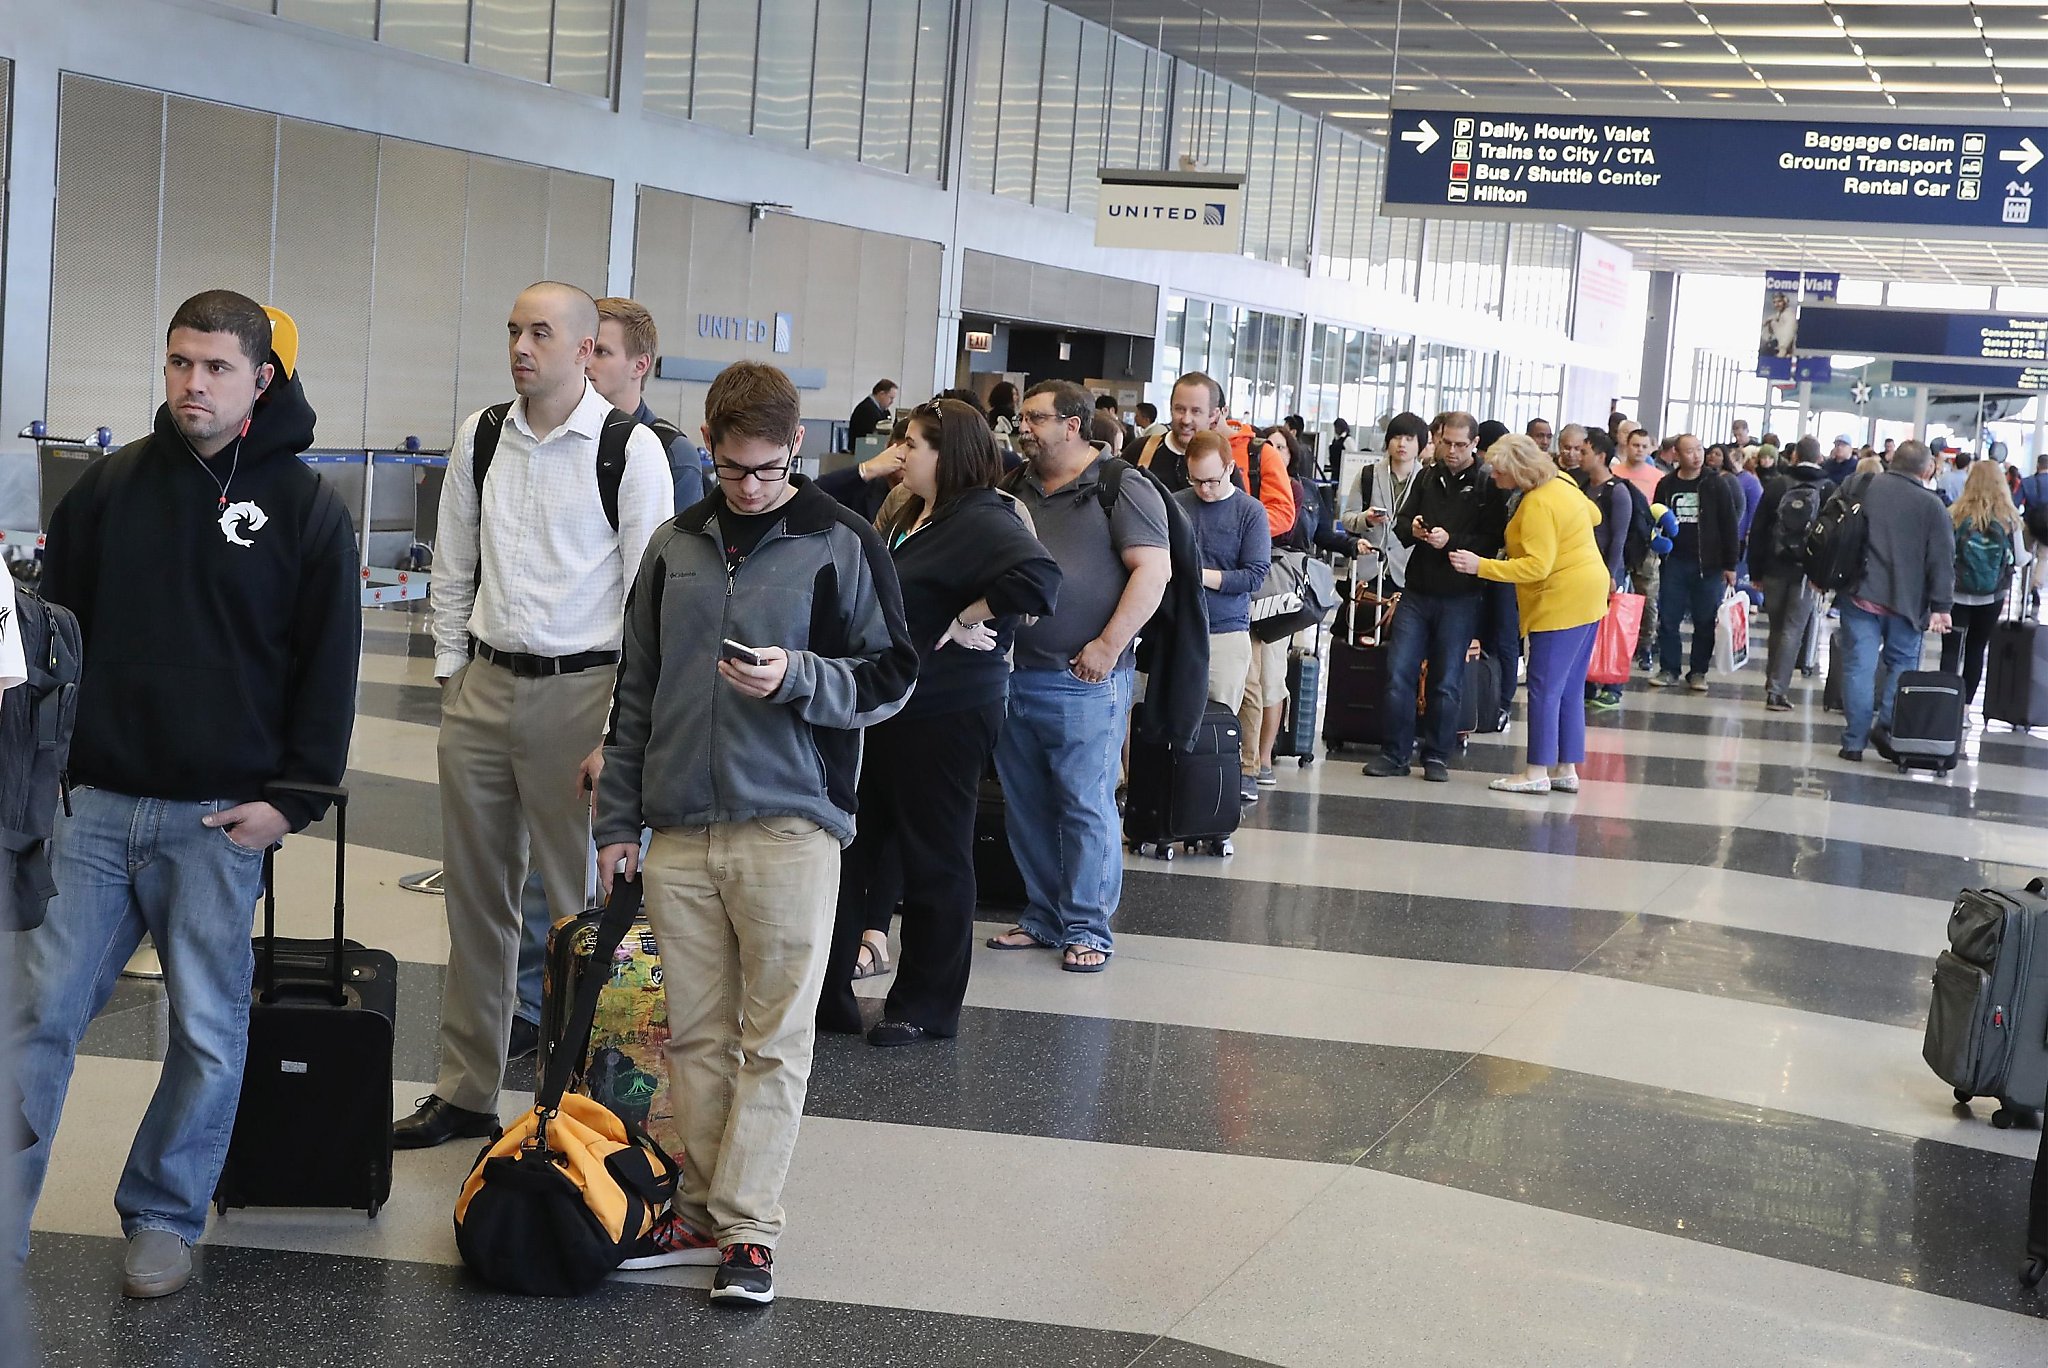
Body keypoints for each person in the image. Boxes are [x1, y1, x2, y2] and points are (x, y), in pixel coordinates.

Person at [15, 290, 359, 1298]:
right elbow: (51, 641)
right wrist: (44, 779)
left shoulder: (302, 509)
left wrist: (290, 802)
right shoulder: (111, 489)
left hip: (219, 822)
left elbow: (326, 664)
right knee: (34, 1017)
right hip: (94, 811)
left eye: (214, 368)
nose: (192, 385)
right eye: (178, 364)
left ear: (261, 380)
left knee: (209, 1033)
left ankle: (162, 1214)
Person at [594, 360, 917, 1302]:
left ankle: (749, 1233)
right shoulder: (675, 544)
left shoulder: (841, 540)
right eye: (731, 470)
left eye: (767, 470)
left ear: (797, 452)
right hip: (681, 830)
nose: (747, 489)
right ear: (708, 448)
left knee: (774, 1039)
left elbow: (893, 677)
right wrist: (618, 817)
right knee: (693, 1037)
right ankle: (699, 1210)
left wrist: (799, 678)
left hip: (790, 824)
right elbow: (637, 692)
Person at [396, 282, 675, 1152]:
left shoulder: (629, 451)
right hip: (483, 686)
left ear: (587, 350)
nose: (520, 346)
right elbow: (451, 566)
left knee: (583, 911)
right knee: (477, 903)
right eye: (513, 329)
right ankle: (466, 1090)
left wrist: (617, 735)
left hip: (582, 694)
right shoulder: (483, 435)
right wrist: (452, 678)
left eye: (540, 332)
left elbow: (650, 602)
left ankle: (585, 1108)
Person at [816, 399, 1059, 1046]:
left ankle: (925, 1005)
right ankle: (831, 994)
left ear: (947, 455)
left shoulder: (981, 514)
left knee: (935, 854)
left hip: (947, 710)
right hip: (892, 706)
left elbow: (1039, 578)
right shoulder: (914, 514)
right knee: (856, 846)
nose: (902, 454)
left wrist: (969, 615)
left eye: (913, 445)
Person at [986, 380, 1169, 972]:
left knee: (1084, 802)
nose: (1023, 428)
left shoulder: (1120, 486)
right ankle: (1043, 916)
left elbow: (1153, 572)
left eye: (1035, 419)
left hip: (1084, 678)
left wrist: (1108, 646)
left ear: (1072, 425)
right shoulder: (1014, 488)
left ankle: (1089, 926)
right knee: (1027, 802)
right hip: (1015, 673)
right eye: (1021, 418)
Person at [1449, 435, 1607, 794]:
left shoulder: (1537, 503)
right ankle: (1566, 768)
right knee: (1568, 688)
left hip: (1560, 600)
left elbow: (1536, 567)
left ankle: (1536, 771)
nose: (1493, 477)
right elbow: (1594, 514)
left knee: (1543, 687)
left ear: (1518, 470)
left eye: (1500, 470)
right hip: (1590, 591)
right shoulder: (1562, 482)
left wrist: (1481, 566)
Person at [1362, 411, 1507, 783]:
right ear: (1438, 439)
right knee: (1398, 673)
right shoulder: (1428, 476)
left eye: (1461, 445)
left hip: (1460, 596)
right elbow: (1402, 520)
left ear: (1475, 444)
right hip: (1417, 590)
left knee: (1446, 679)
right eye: (1447, 443)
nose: (1453, 451)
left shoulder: (1487, 484)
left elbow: (1492, 542)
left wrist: (1451, 543)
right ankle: (1394, 753)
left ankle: (1437, 755)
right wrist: (1411, 528)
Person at [1835, 440, 1954, 761]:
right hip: (1907, 601)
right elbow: (1942, 560)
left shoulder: (1857, 486)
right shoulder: (1932, 506)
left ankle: (1853, 742)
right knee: (1901, 665)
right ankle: (1885, 727)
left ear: (1892, 460)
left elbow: (1830, 529)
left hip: (1859, 591)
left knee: (1859, 666)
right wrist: (1942, 607)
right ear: (1927, 469)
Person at [1175, 431, 1271, 721]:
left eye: (1212, 481)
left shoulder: (1250, 512)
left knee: (1217, 723)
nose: (1205, 489)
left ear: (1230, 468)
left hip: (1225, 631)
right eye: (1196, 480)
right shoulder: (1176, 503)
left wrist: (1197, 575)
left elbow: (1254, 577)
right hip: (1177, 628)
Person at [593, 296, 706, 512]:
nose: (586, 362)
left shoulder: (672, 453)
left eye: (601, 352)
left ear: (640, 365)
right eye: (583, 349)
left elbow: (675, 545)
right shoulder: (559, 435)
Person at [1649, 434, 1742, 692]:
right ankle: (1669, 668)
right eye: (1689, 451)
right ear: (1677, 455)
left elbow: (1729, 525)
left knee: (1704, 620)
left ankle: (1698, 671)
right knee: (1669, 618)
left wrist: (1730, 565)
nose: (1696, 455)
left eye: (1699, 449)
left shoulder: (1715, 484)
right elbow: (1656, 517)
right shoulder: (1666, 484)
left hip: (1708, 564)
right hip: (1675, 561)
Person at [1940, 460, 2028, 707]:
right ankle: (1965, 709)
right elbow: (2019, 559)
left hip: (1955, 593)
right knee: (1976, 649)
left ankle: (1946, 706)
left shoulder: (1954, 513)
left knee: (1950, 650)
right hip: (1992, 596)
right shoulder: (2009, 518)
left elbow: (1944, 554)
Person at [1750, 436, 1829, 712]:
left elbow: (1758, 529)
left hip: (1774, 565)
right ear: (1820, 458)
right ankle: (1777, 690)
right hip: (1807, 571)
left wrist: (1755, 570)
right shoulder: (1828, 487)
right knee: (1793, 629)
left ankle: (1772, 682)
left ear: (1793, 456)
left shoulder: (1777, 485)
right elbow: (1832, 536)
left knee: (1776, 626)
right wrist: (1824, 575)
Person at [1343, 411, 1427, 591]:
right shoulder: (1368, 474)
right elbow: (1347, 519)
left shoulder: (1428, 480)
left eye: (1409, 438)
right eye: (1396, 437)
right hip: (1367, 571)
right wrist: (1366, 519)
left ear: (1420, 444)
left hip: (1407, 573)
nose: (1402, 444)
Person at [1579, 431, 1631, 711]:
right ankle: (1587, 682)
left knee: (1611, 628)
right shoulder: (1583, 486)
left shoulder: (1617, 492)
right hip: (1584, 568)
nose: (1579, 456)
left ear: (1600, 456)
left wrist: (1611, 573)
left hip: (1607, 570)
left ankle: (1613, 685)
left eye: (1584, 451)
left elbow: (1619, 537)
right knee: (1588, 626)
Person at [1133, 371, 1222, 493]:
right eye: (1180, 409)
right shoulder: (1141, 450)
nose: (1186, 420)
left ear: (1213, 415)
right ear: (1170, 409)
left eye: (1196, 411)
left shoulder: (1223, 459)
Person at [849, 378, 898, 444]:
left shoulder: (883, 411)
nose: (892, 402)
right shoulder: (866, 410)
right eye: (891, 398)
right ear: (882, 394)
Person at [986, 381, 1020, 450]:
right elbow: (1018, 430)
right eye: (1014, 394)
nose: (1017, 397)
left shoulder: (989, 414)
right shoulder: (1012, 415)